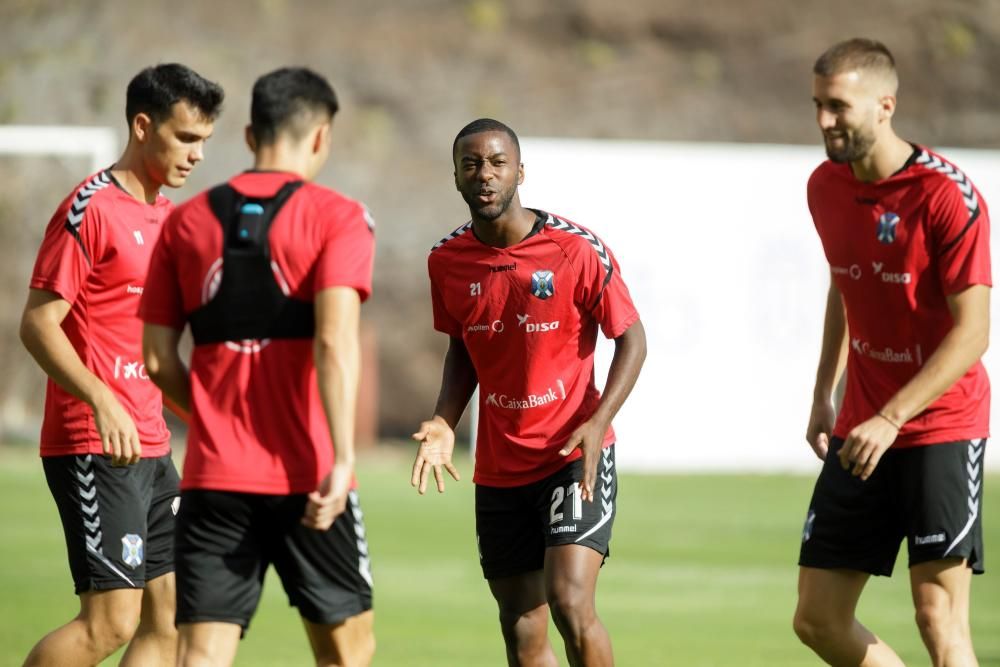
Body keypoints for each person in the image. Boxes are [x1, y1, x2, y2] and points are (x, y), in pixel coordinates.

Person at [140, 67, 376, 667]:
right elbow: (333, 343)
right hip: (312, 477)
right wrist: (343, 457)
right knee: (347, 654)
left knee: (200, 655)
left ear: (249, 135)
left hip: (215, 477)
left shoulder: (185, 222)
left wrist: (215, 418)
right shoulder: (339, 216)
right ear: (321, 136)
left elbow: (156, 358)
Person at [411, 118, 646, 667]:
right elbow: (462, 349)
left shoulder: (574, 250)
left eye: (497, 163)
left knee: (569, 601)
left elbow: (631, 338)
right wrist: (445, 421)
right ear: (456, 177)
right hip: (499, 466)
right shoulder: (446, 261)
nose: (485, 175)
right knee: (521, 627)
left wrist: (598, 420)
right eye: (471, 165)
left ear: (521, 171)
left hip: (573, 454)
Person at [18, 64, 222, 667]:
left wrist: (214, 418)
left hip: (152, 445)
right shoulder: (90, 207)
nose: (198, 155)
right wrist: (101, 399)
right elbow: (37, 324)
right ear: (142, 125)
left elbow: (154, 355)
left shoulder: (168, 220)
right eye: (187, 138)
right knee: (110, 623)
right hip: (95, 444)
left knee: (175, 613)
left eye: (205, 141)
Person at [794, 38, 990, 667]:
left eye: (839, 107)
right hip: (860, 425)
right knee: (818, 618)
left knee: (938, 615)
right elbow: (843, 285)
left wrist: (893, 415)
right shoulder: (824, 187)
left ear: (885, 105)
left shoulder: (945, 196)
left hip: (940, 424)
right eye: (819, 105)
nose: (825, 121)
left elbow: (974, 332)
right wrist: (826, 392)